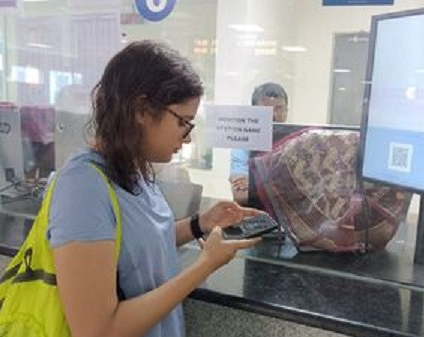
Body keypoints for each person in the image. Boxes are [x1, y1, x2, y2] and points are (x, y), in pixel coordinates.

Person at [50, 41, 261, 337]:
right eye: (184, 123)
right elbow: (98, 330)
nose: (187, 139)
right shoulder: (81, 188)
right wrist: (205, 265)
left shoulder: (133, 168)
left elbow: (137, 244)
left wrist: (200, 224)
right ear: (141, 110)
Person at [229, 82, 289, 205]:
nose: (274, 116)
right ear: (254, 112)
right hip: (254, 218)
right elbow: (241, 197)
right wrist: (282, 184)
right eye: (266, 110)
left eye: (279, 109)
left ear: (287, 110)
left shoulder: (297, 142)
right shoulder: (243, 144)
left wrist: (253, 183)